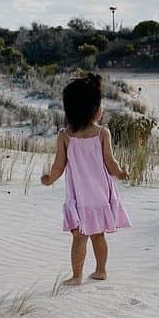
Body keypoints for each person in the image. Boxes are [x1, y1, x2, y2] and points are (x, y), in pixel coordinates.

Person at [40, 74, 130, 284]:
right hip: (98, 195)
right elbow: (111, 162)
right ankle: (101, 270)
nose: (102, 109)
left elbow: (58, 166)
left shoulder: (65, 135)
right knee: (98, 235)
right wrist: (120, 173)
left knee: (79, 236)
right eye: (100, 105)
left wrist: (50, 178)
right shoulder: (102, 133)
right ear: (92, 110)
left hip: (79, 197)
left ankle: (77, 276)